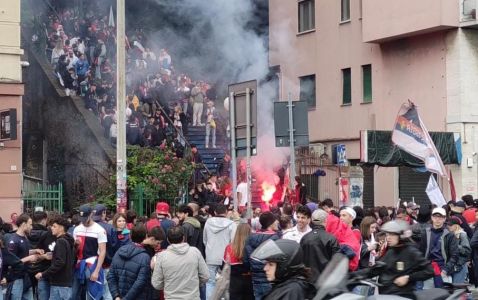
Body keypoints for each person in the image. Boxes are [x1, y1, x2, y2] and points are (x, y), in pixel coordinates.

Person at [355, 220, 434, 298]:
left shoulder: (411, 252)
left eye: (392, 235)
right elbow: (375, 269)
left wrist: (408, 277)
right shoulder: (391, 250)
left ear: (401, 236)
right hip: (386, 295)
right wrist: (353, 275)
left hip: (402, 295)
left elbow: (429, 271)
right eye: (387, 234)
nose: (388, 237)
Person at [151, 226, 209, 300]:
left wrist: (169, 285)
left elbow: (156, 284)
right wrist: (193, 283)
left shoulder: (161, 256)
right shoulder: (195, 252)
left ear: (168, 240)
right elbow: (205, 276)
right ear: (184, 238)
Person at [251, 239, 316, 300]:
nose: (265, 268)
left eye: (271, 264)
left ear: (284, 266)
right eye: (266, 263)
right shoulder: (286, 284)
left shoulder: (291, 291)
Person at [72, 204, 107, 300]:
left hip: (91, 265)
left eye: (85, 218)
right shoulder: (77, 229)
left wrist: (96, 271)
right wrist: (75, 245)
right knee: (73, 295)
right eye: (81, 218)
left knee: (91, 295)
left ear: (91, 215)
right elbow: (74, 249)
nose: (83, 221)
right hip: (78, 265)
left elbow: (102, 251)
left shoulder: (99, 230)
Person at [34, 216, 75, 300]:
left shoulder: (61, 241)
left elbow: (60, 262)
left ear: (61, 228)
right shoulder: (67, 240)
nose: (51, 228)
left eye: (54, 226)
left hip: (60, 284)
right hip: (64, 283)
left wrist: (43, 274)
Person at [108, 224, 152, 300]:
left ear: (130, 236)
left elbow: (111, 275)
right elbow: (140, 283)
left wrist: (116, 296)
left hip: (120, 296)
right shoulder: (145, 257)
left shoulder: (119, 250)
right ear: (145, 237)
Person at [418, 207, 459, 288]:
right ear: (432, 217)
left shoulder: (449, 235)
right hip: (428, 269)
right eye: (435, 216)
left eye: (440, 217)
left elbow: (454, 255)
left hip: (443, 269)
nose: (437, 219)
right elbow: (421, 253)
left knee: (444, 295)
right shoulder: (425, 233)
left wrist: (445, 270)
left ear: (444, 219)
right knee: (428, 295)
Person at [244, 212, 281, 300]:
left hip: (255, 278)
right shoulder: (276, 238)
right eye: (275, 221)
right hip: (271, 279)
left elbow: (246, 259)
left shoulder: (250, 237)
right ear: (271, 223)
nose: (277, 222)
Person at [203, 204, 237, 298]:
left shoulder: (208, 222)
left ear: (215, 212)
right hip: (226, 258)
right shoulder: (232, 224)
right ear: (226, 213)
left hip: (210, 256)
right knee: (225, 284)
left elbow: (204, 240)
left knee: (210, 283)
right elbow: (233, 242)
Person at [6, 213, 42, 300]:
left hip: (26, 276)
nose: (32, 227)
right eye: (30, 224)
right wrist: (29, 258)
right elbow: (12, 262)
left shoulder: (25, 238)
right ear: (23, 224)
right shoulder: (13, 240)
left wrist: (35, 251)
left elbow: (23, 252)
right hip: (16, 278)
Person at [300, 209, 340, 283]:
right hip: (325, 281)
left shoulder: (305, 238)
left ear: (312, 220)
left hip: (308, 281)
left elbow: (301, 260)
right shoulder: (331, 238)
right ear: (325, 221)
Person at [223, 223, 253, 300]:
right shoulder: (253, 247)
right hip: (250, 280)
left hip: (234, 281)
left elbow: (223, 266)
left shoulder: (229, 248)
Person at [92, 204, 115, 300]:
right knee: (107, 292)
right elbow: (114, 245)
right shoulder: (109, 228)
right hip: (107, 264)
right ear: (104, 213)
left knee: (92, 292)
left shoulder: (87, 227)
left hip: (91, 265)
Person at [446, 216, 471, 284]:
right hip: (452, 265)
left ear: (456, 226)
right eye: (448, 225)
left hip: (460, 265)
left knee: (457, 288)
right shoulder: (448, 234)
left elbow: (467, 251)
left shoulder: (462, 234)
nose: (448, 226)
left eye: (451, 225)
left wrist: (456, 246)